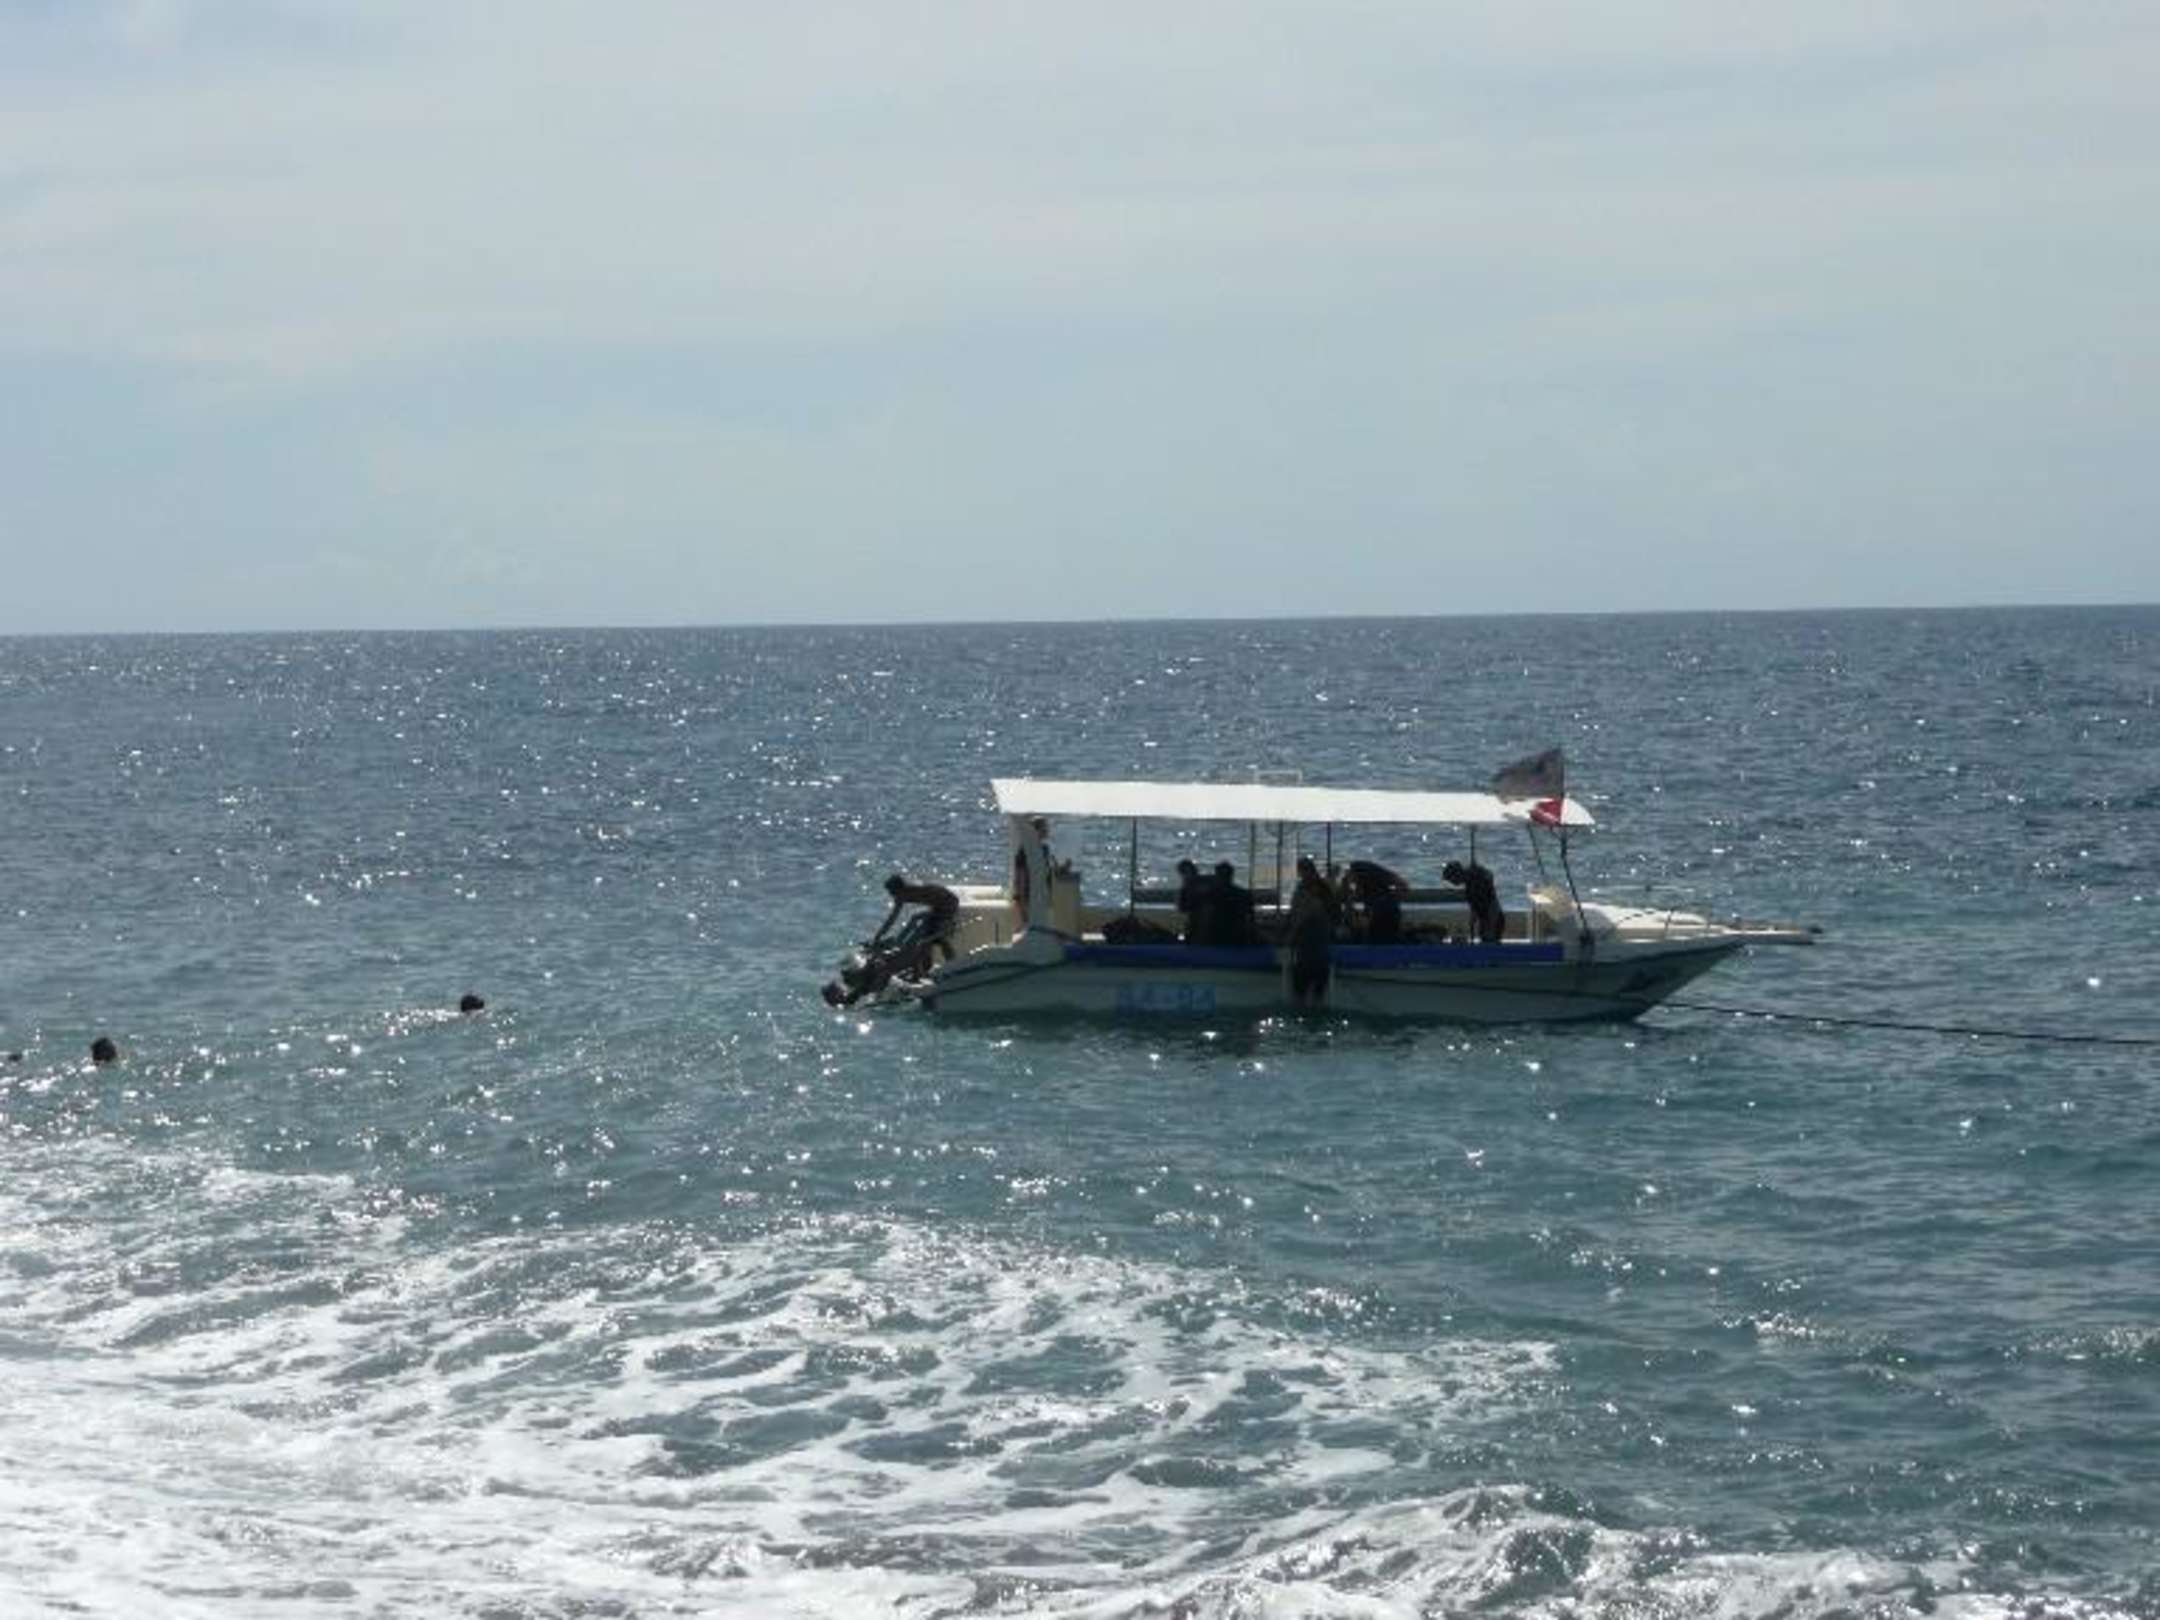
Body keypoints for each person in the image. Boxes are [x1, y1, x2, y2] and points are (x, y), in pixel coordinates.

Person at [823, 873, 961, 1007]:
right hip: (936, 908)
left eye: (892, 892)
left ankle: (951, 966)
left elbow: (946, 898)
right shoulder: (902, 896)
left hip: (948, 906)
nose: (891, 896)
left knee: (935, 939)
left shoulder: (917, 890)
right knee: (918, 928)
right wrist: (878, 936)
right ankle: (919, 972)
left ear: (900, 889)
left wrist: (946, 923)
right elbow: (892, 919)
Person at [1286, 856, 1341, 1004]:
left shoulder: (1305, 893)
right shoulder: (1324, 889)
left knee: (1300, 995)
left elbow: (1298, 918)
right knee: (1317, 996)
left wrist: (1290, 937)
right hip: (1320, 950)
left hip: (1308, 950)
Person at [1339, 859, 1407, 944]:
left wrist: (1349, 900)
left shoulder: (1379, 903)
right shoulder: (1382, 897)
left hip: (1379, 932)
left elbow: (1359, 924)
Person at [1444, 859, 1506, 944]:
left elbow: (1485, 903)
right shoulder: (1471, 883)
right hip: (1489, 919)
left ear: (1457, 874)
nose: (1453, 883)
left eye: (1452, 880)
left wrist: (1480, 920)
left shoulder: (1476, 882)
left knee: (1489, 941)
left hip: (1492, 920)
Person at [1204, 860, 1258, 947]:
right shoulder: (1244, 894)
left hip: (1216, 935)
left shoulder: (1211, 895)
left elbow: (1207, 917)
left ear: (1217, 876)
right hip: (1239, 934)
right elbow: (1251, 917)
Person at [1174, 858, 1211, 943]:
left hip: (1198, 923)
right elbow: (1182, 907)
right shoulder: (1208, 881)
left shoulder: (1187, 887)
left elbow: (1182, 907)